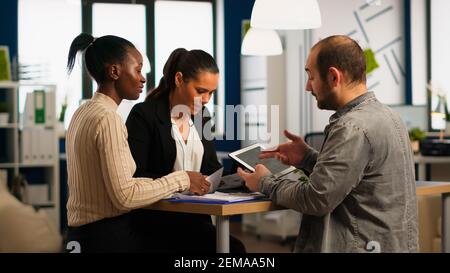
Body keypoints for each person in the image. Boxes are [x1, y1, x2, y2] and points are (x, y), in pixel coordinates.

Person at [238, 35, 419, 253]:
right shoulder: (389, 116)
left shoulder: (352, 128)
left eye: (311, 76)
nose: (307, 87)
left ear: (333, 76)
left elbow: (316, 199)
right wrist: (307, 157)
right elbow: (357, 178)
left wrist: (264, 182)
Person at [65, 34, 210, 253]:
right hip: (107, 238)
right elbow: (125, 196)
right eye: (138, 70)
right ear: (114, 71)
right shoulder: (108, 119)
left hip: (79, 236)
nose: (143, 78)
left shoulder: (82, 112)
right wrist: (182, 178)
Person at [125, 48, 246, 253]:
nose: (207, 99)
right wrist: (183, 180)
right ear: (179, 79)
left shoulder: (202, 117)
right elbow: (136, 175)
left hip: (196, 220)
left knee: (234, 249)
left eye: (211, 92)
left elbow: (210, 169)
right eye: (200, 91)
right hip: (155, 223)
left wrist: (241, 176)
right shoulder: (144, 115)